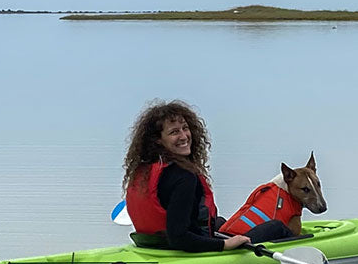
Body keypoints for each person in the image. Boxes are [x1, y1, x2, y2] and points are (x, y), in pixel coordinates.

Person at [123, 100, 292, 252]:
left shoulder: (144, 170)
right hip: (183, 248)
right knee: (276, 227)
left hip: (153, 246)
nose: (184, 136)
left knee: (218, 222)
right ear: (158, 140)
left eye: (185, 128)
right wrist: (224, 245)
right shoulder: (184, 177)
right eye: (174, 132)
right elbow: (178, 237)